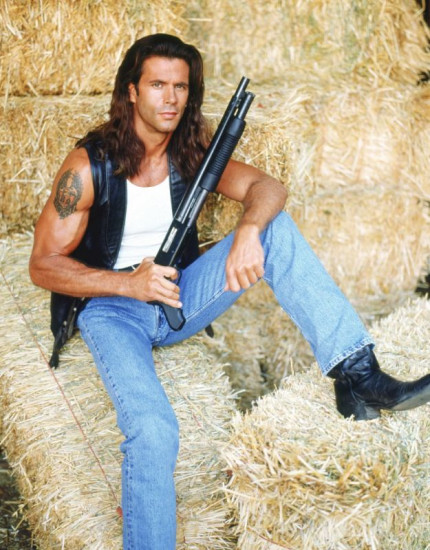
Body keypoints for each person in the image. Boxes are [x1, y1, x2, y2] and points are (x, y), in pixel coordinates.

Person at [29, 34, 430, 550]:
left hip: (178, 293)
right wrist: (128, 283)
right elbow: (43, 265)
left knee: (274, 228)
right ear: (131, 91)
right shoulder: (89, 167)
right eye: (157, 85)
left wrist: (248, 230)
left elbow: (270, 188)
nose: (170, 98)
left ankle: (357, 375)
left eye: (180, 87)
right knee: (153, 430)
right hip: (114, 309)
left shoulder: (189, 152)